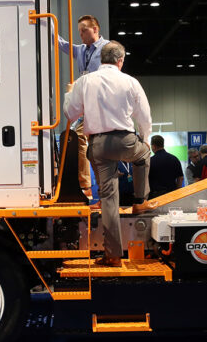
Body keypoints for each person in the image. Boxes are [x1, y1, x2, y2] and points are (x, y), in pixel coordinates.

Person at [63, 41, 158, 267]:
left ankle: (113, 255)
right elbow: (144, 117)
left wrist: (69, 94)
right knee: (143, 155)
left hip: (98, 144)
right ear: (120, 60)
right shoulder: (130, 81)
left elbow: (69, 112)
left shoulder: (85, 81)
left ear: (101, 59)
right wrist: (144, 140)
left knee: (108, 198)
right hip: (125, 141)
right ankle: (139, 200)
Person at [58, 15, 111, 199]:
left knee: (97, 148)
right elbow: (62, 45)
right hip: (86, 103)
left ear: (95, 29)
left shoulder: (108, 48)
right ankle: (86, 185)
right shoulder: (81, 50)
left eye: (84, 30)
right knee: (80, 139)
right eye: (79, 30)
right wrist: (47, 25)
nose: (80, 34)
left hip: (102, 105)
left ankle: (96, 188)